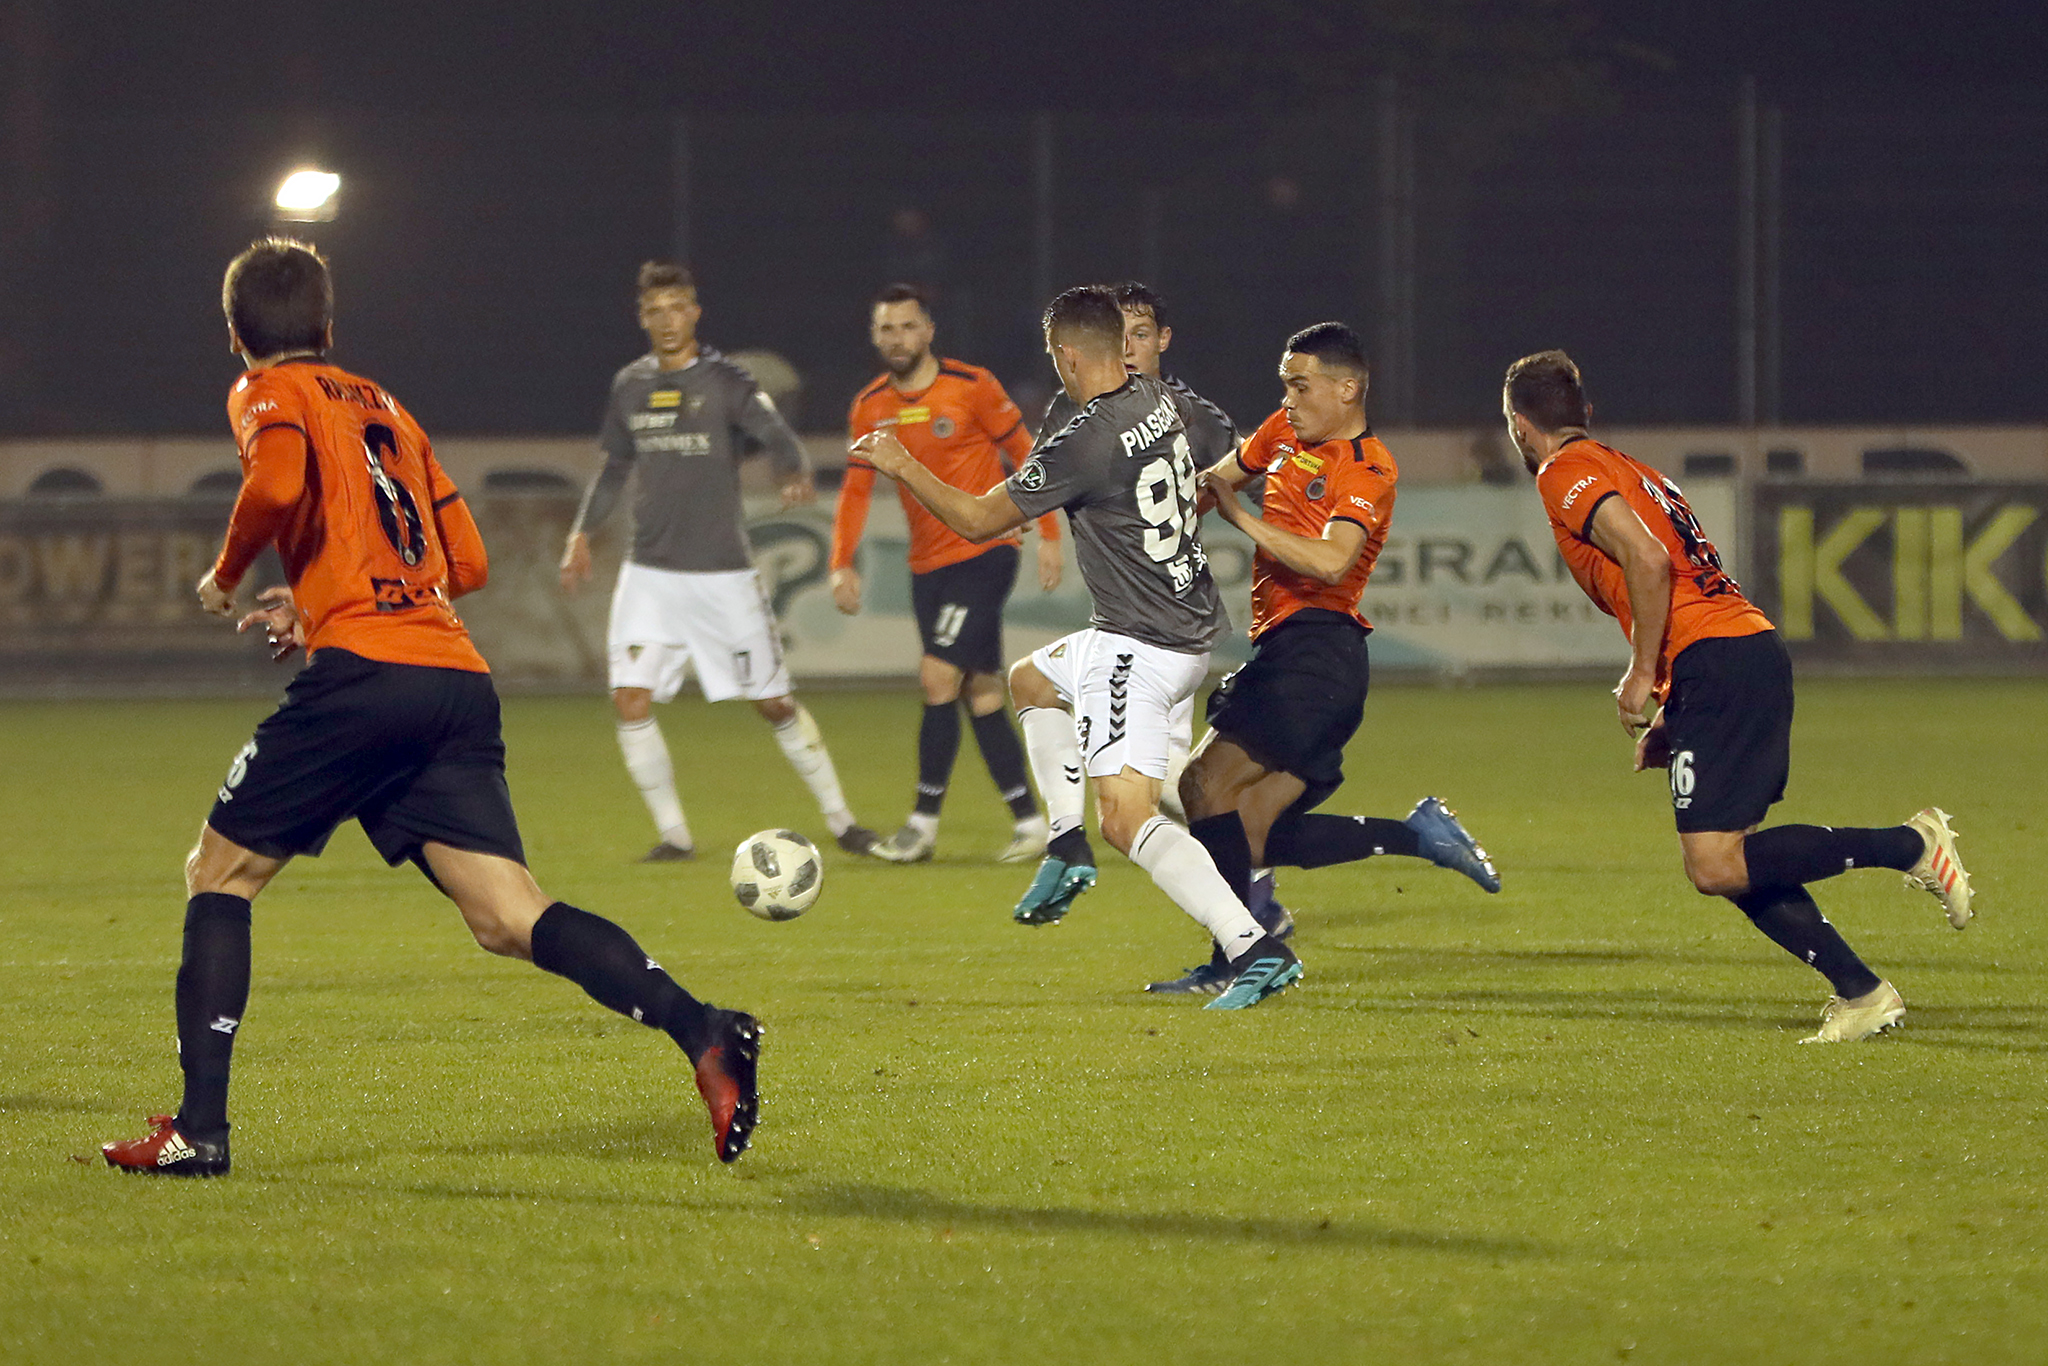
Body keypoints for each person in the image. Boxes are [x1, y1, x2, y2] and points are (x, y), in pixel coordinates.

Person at [103, 240, 760, 1177]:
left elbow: (277, 484)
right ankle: (706, 1031)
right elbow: (469, 563)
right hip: (452, 679)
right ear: (330, 326)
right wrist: (321, 604)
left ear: (236, 335)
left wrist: (226, 574)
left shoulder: (266, 391)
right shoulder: (388, 408)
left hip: (365, 682)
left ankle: (199, 1132)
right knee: (508, 915)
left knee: (219, 874)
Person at [1505, 349, 1973, 1043]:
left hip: (1718, 658)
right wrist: (1674, 704)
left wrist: (1641, 673)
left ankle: (1911, 844)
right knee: (1727, 861)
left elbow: (1649, 561)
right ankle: (1863, 993)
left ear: (1520, 425)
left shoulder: (1564, 471)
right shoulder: (1636, 470)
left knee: (1716, 862)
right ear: (1587, 413)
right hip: (1733, 653)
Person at [853, 285, 1298, 1011]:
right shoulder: (1162, 399)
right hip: (1185, 627)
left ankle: (1253, 944)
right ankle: (1064, 844)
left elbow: (978, 520)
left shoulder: (1088, 438)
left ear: (1064, 354)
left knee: (1126, 818)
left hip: (1140, 645)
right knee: (1030, 679)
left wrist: (902, 465)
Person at [1151, 323, 1501, 995]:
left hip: (1316, 653)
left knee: (1202, 786)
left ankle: (1240, 961)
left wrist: (1240, 517)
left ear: (1347, 389)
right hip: (1298, 654)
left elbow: (1334, 560)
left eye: (1301, 385)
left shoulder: (1368, 467)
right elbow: (1215, 482)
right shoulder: (1283, 432)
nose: (1288, 398)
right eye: (1285, 384)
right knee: (1252, 833)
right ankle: (1417, 836)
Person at [560, 261, 877, 862]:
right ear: (642, 317)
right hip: (649, 574)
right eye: (655, 311)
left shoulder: (726, 381)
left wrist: (791, 468)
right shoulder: (630, 384)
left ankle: (843, 822)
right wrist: (581, 533)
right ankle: (674, 835)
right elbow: (614, 467)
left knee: (774, 703)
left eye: (677, 308)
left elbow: (777, 433)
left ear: (695, 313)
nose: (667, 320)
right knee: (630, 699)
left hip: (721, 575)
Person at [832, 283, 1059, 863]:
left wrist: (1050, 534)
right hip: (927, 566)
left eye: (908, 326)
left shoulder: (971, 385)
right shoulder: (870, 405)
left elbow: (1028, 453)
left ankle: (921, 825)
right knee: (979, 690)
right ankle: (1032, 822)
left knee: (937, 675)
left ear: (929, 331)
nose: (898, 338)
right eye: (887, 328)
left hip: (985, 551)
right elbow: (856, 490)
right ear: (874, 336)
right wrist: (841, 563)